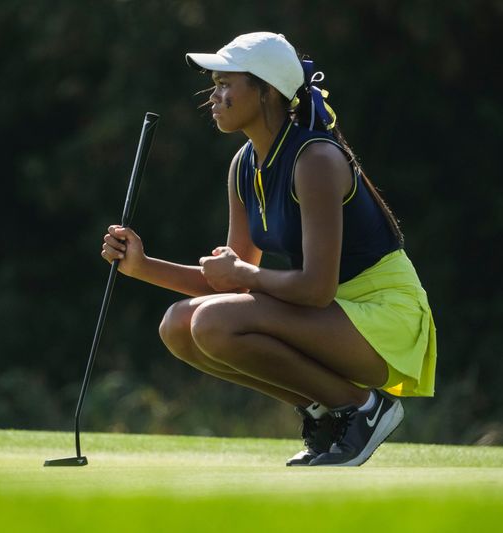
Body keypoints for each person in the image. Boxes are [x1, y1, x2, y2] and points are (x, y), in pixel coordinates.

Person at [101, 32, 436, 467]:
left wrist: (243, 277)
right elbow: (231, 277)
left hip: (384, 316)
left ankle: (365, 408)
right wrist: (141, 266)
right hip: (331, 314)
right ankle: (324, 411)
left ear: (266, 92)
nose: (214, 97)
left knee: (212, 322)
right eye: (214, 85)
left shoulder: (314, 159)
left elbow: (314, 287)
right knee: (179, 326)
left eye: (226, 85)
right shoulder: (244, 165)